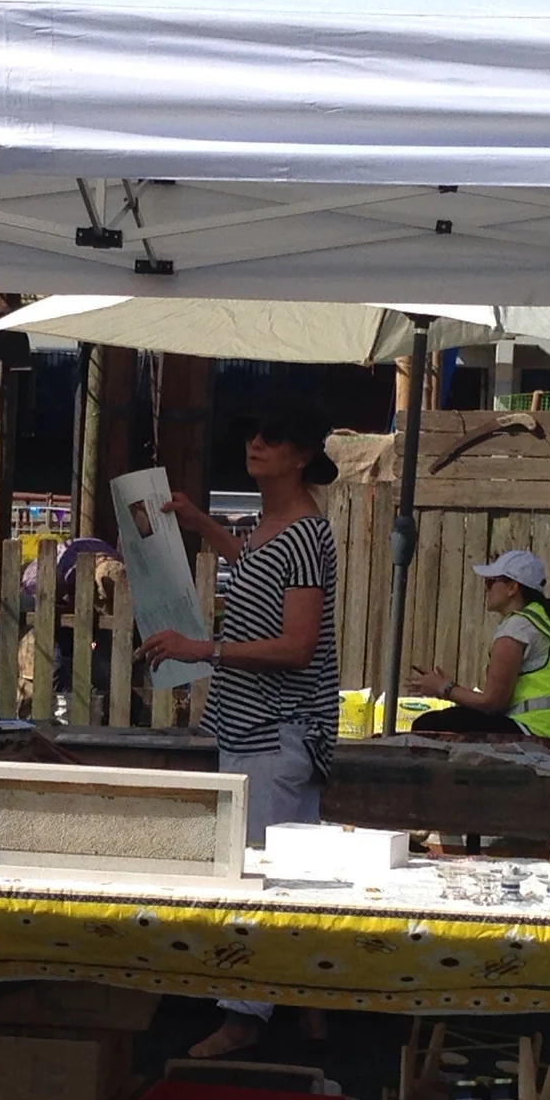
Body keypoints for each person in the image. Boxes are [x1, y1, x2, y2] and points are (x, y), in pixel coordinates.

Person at [140, 398, 340, 1058]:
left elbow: (299, 645)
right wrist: (202, 524)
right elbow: (249, 554)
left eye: (272, 434)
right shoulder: (269, 525)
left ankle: (243, 1020)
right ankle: (308, 1011)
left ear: (303, 454)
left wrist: (207, 650)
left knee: (256, 879)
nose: (256, 442)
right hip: (251, 728)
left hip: (278, 731)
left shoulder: (308, 533)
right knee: (285, 878)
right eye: (250, 431)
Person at [401, 550, 550, 756]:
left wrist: (445, 688)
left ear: (512, 588)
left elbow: (492, 703)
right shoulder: (546, 622)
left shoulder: (517, 628)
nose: (486, 589)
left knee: (430, 725)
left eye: (491, 582)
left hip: (538, 732)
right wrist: (450, 690)